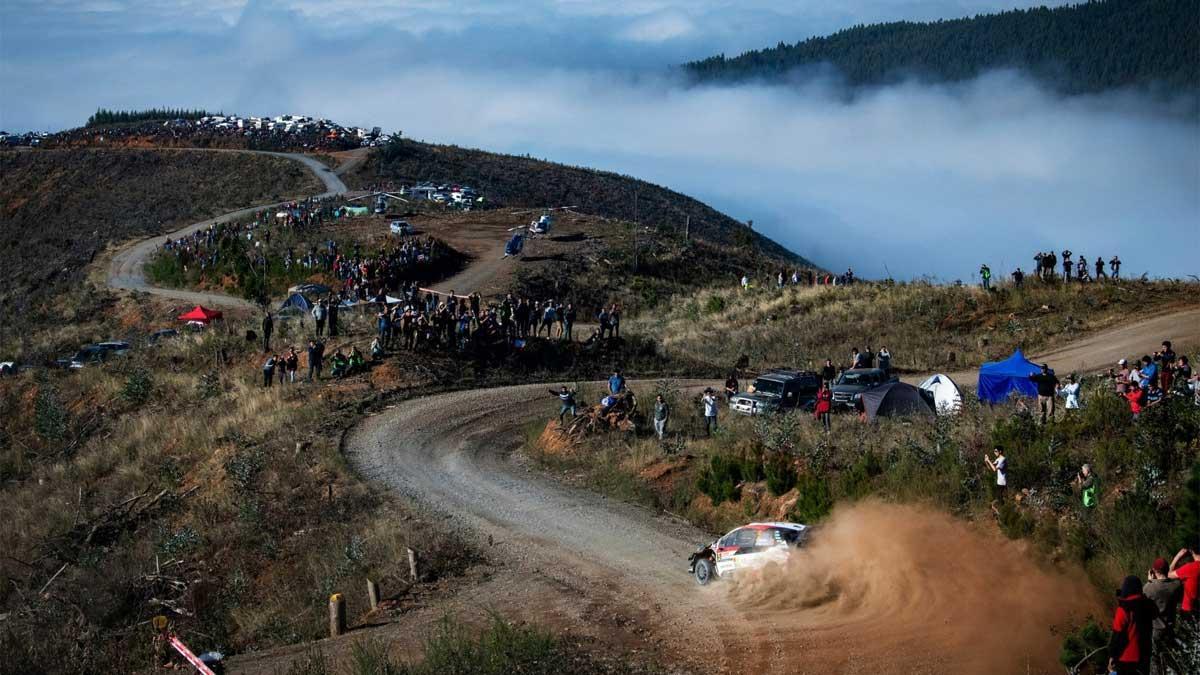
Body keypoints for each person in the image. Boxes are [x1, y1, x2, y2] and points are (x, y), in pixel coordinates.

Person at [1107, 575, 1155, 675]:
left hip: (1126, 658)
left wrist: (1112, 656)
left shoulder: (1123, 609)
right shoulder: (1148, 605)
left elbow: (1117, 636)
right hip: (1145, 655)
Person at [1144, 557, 1182, 675]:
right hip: (1171, 627)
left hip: (1156, 629)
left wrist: (1150, 581)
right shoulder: (1176, 586)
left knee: (1155, 657)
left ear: (1153, 571)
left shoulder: (1148, 588)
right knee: (1171, 656)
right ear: (1167, 570)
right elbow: (1169, 581)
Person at [1168, 543, 1200, 625]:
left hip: (1189, 608)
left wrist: (1177, 557)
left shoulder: (1191, 567)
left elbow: (1168, 575)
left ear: (1192, 551)